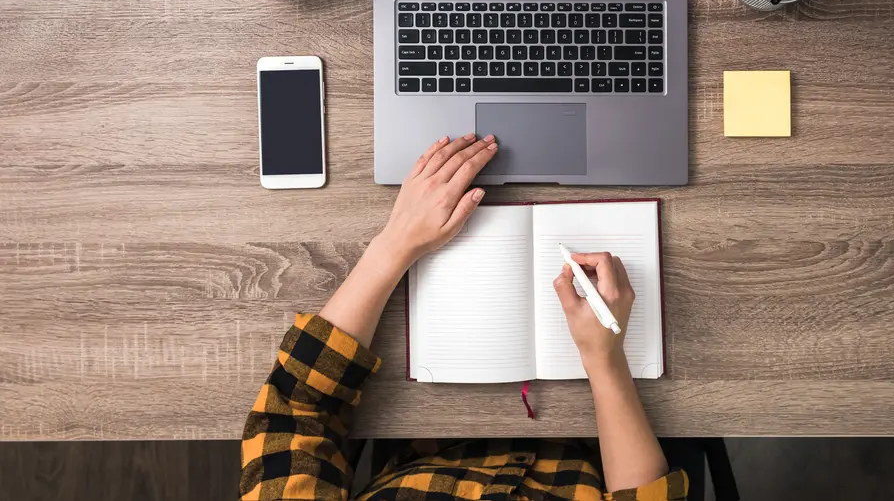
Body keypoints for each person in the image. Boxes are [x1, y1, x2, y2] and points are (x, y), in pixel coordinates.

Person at [238, 134, 687, 501]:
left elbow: (293, 413)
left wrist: (395, 243)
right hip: (598, 447)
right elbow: (647, 496)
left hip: (424, 450)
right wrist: (605, 362)